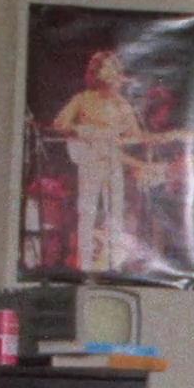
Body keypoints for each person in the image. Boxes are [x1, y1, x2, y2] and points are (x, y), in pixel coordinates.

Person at [52, 50, 143, 272]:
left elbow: (136, 135)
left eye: (112, 68)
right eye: (103, 68)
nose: (108, 73)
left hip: (112, 162)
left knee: (115, 211)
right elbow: (59, 123)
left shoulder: (122, 105)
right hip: (91, 162)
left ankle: (113, 265)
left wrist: (117, 136)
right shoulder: (83, 99)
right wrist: (85, 130)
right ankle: (85, 265)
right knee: (87, 211)